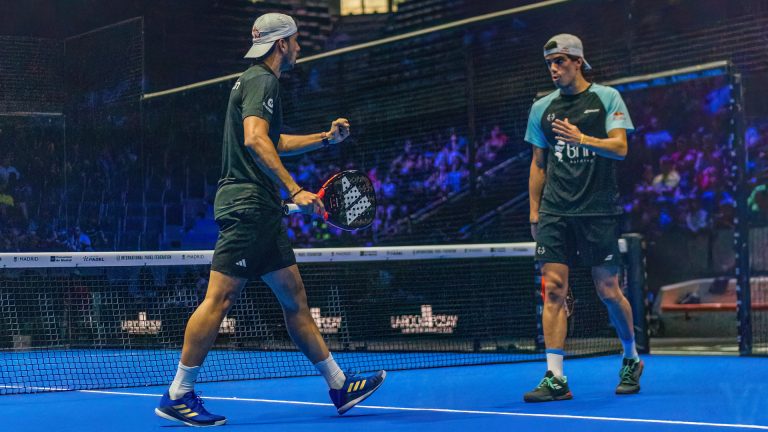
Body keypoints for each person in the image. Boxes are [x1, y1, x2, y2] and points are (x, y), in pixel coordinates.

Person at [155, 13, 386, 427]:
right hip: (249, 206)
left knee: (295, 300)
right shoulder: (263, 79)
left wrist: (324, 138)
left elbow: (273, 140)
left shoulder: (252, 81)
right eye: (296, 40)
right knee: (219, 299)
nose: (299, 47)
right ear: (282, 44)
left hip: (261, 207)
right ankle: (178, 393)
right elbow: (255, 139)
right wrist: (295, 189)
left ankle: (339, 385)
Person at [524, 34, 642, 402]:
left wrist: (582, 139)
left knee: (608, 291)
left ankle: (631, 357)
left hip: (597, 210)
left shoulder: (607, 98)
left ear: (578, 61)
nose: (553, 68)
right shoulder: (541, 108)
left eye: (560, 61)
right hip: (556, 211)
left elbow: (620, 148)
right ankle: (555, 377)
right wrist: (535, 212)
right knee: (554, 290)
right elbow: (538, 164)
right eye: (549, 63)